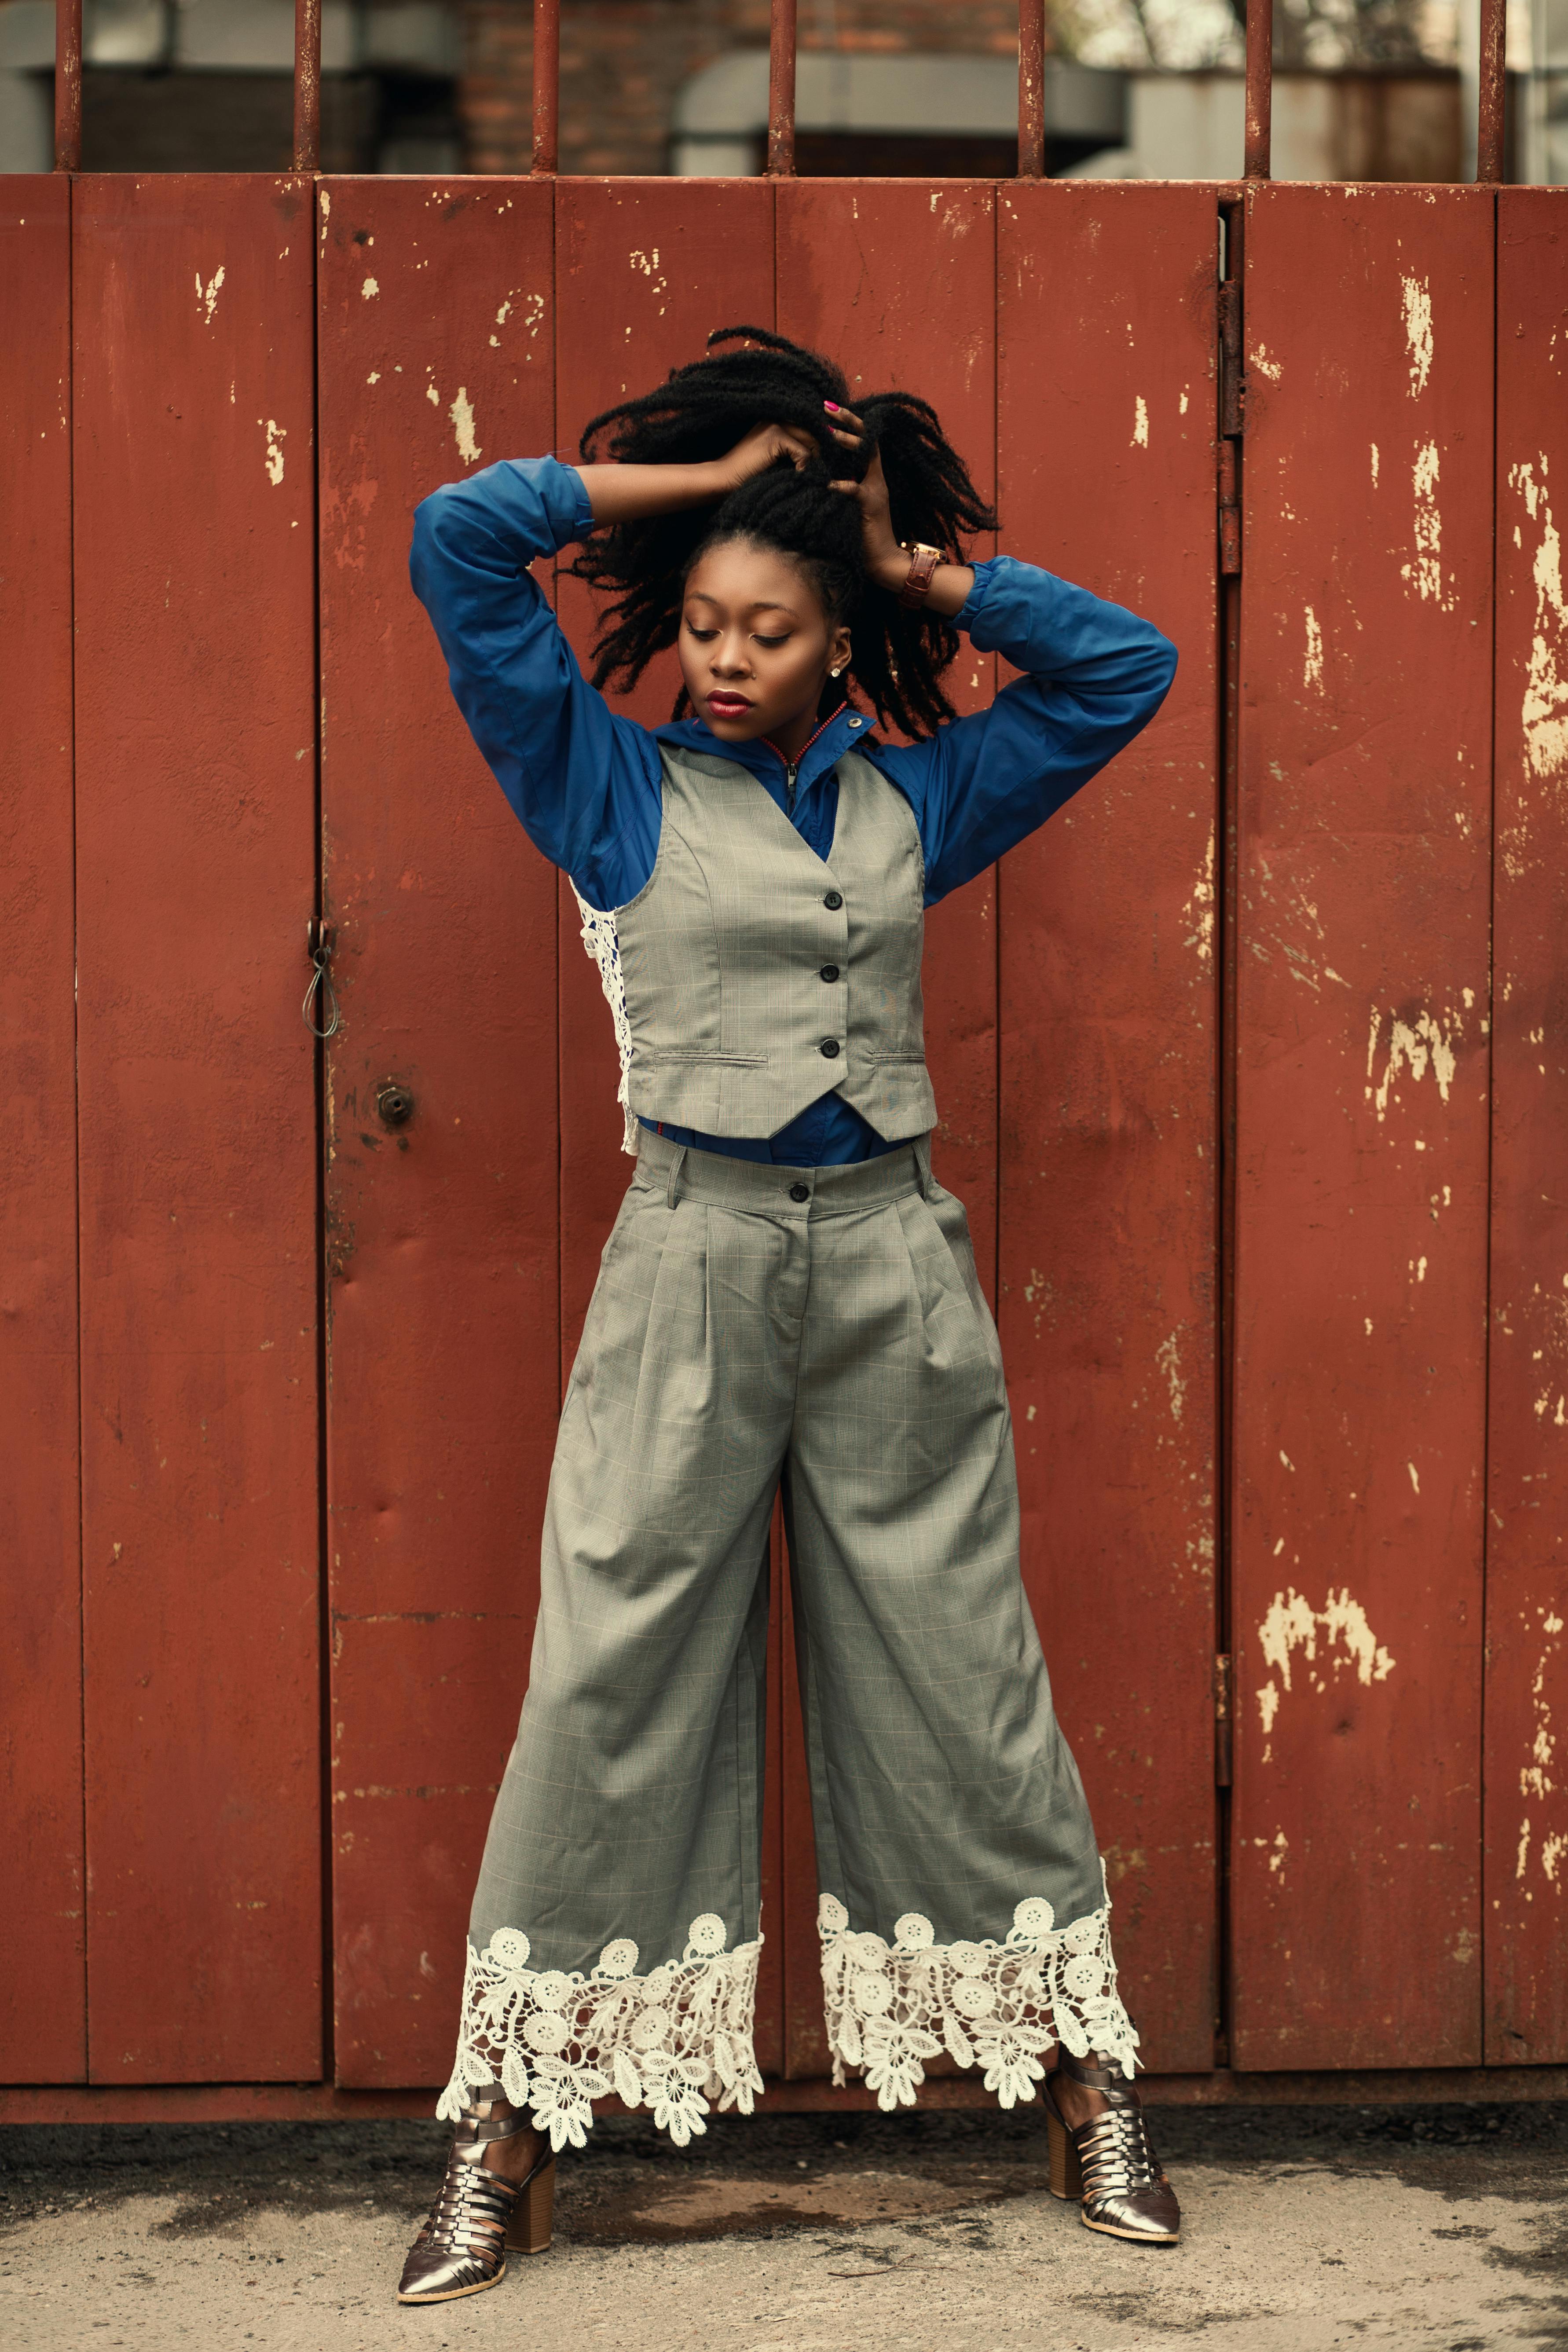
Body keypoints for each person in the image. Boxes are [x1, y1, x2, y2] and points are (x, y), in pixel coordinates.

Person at [396, 327, 1182, 2304]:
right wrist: (707, 489)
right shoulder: (602, 777)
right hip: (694, 1259)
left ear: (833, 645)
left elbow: (1128, 667)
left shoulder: (927, 799)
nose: (726, 655)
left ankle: (1090, 2089)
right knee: (610, 1672)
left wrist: (918, 572)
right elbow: (455, 536)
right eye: (706, 625)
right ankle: (503, 2135)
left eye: (771, 626)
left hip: (895, 1265)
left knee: (963, 1665)